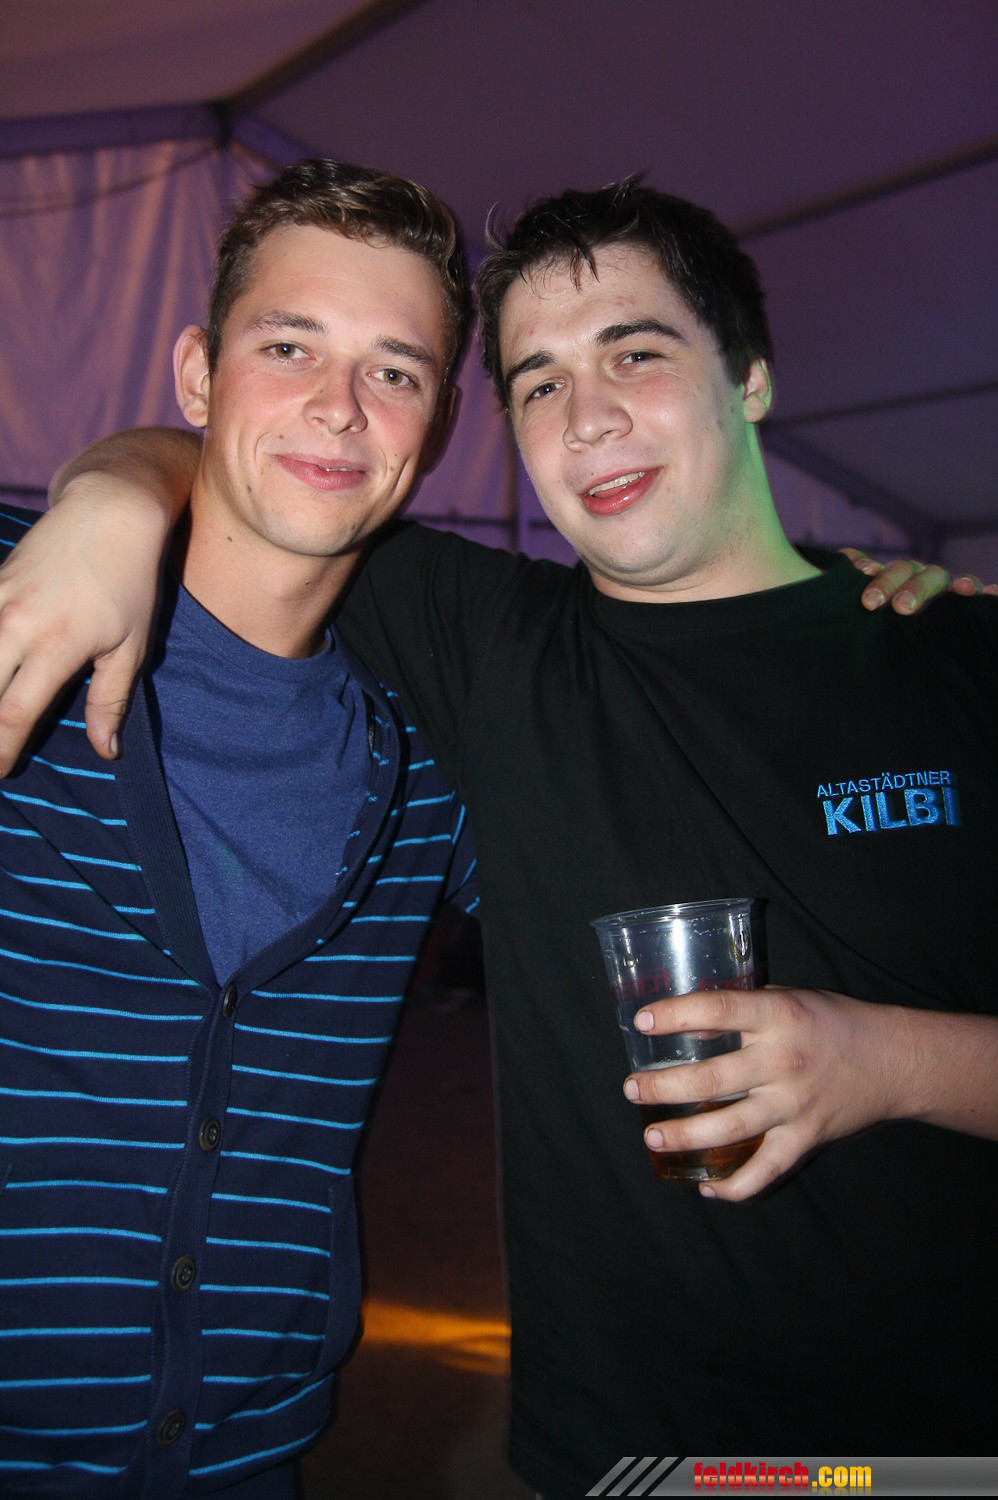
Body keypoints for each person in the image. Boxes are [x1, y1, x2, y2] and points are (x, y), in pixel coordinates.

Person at [1, 177, 996, 1496]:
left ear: (750, 376)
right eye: (538, 382)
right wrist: (109, 497)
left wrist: (892, 1061)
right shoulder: (485, 651)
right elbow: (271, 474)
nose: (587, 417)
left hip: (945, 1455)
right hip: (630, 1459)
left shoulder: (959, 656)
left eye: (634, 354)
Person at [0, 160, 479, 1498]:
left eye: (395, 370)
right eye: (289, 346)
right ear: (198, 376)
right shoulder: (22, 604)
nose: (340, 405)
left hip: (249, 1464)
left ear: (439, 424)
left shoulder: (435, 764)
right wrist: (106, 492)